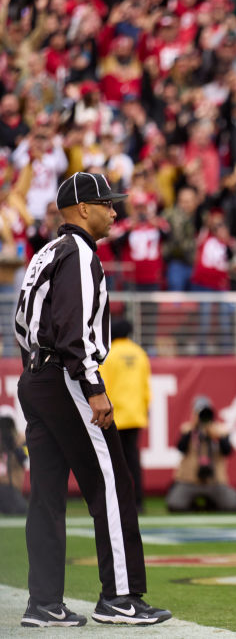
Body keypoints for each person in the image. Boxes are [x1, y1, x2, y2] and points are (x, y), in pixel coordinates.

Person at [13, 171, 171, 626]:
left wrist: (40, 372)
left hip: (35, 375)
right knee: (112, 482)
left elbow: (24, 324)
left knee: (46, 495)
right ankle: (120, 597)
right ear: (83, 208)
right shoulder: (80, 252)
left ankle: (43, 603)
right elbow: (74, 328)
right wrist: (93, 386)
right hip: (65, 375)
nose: (114, 211)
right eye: (107, 203)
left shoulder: (45, 253)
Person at [98, 319, 150, 510]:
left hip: (115, 415)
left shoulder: (109, 354)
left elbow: (103, 385)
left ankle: (118, 501)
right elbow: (146, 387)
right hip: (135, 415)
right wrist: (144, 409)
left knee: (113, 461)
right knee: (133, 459)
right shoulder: (139, 353)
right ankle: (138, 500)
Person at [166, 396, 236, 513]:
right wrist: (193, 429)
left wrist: (219, 437)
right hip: (190, 481)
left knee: (233, 505)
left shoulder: (220, 430)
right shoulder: (188, 429)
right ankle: (197, 505)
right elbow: (181, 448)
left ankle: (211, 503)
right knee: (175, 504)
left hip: (214, 482)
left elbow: (227, 451)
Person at [0, 412, 28, 515]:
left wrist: (18, 445)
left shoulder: (20, 443)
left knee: (21, 509)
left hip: (13, 491)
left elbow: (24, 457)